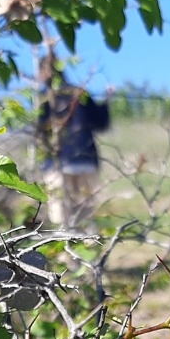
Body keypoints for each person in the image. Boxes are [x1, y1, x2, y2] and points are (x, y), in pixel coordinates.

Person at [37, 57, 111, 228]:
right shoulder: (79, 92)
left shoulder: (45, 98)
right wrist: (107, 101)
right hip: (86, 158)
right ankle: (86, 249)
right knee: (85, 215)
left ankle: (65, 251)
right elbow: (101, 122)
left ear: (43, 73)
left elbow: (41, 133)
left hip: (58, 162)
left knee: (60, 216)